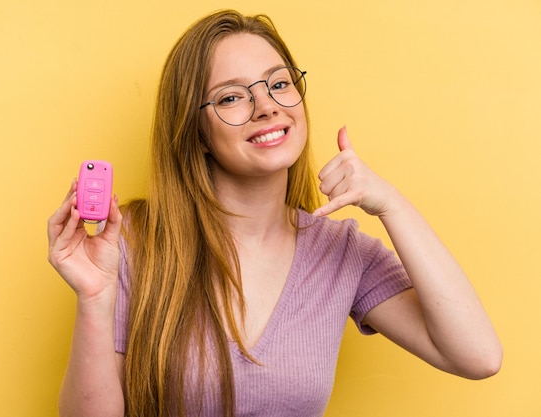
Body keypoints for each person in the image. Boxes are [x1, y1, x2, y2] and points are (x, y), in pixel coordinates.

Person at [47, 9, 502, 417]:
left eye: (279, 83)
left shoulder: (341, 250)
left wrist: (391, 205)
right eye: (230, 97)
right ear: (197, 133)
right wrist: (94, 299)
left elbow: (477, 356)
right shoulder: (135, 241)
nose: (266, 106)